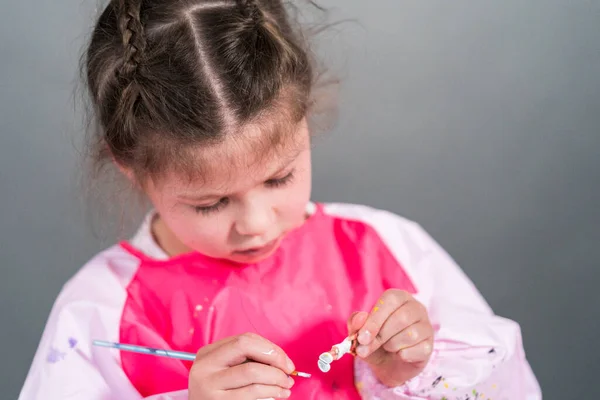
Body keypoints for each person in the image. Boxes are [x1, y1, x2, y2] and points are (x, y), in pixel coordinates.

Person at [19, 0, 542, 399]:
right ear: (129, 165)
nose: (256, 225)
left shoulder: (383, 251)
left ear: (305, 121)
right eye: (210, 204)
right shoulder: (101, 312)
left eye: (279, 179)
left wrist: (410, 370)